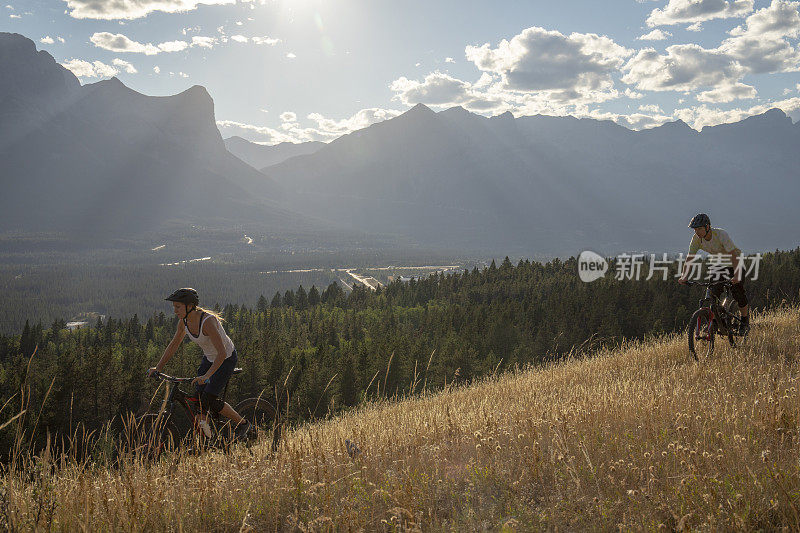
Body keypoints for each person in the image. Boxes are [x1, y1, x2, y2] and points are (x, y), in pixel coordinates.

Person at [148, 288, 252, 440]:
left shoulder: (208, 322)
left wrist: (206, 376)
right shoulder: (183, 322)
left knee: (208, 399)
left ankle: (244, 424)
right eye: (174, 307)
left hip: (226, 359)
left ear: (189, 306)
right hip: (209, 359)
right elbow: (174, 345)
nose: (175, 310)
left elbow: (222, 354)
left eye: (178, 307)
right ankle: (208, 440)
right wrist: (158, 367)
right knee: (198, 401)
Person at [678, 214, 750, 334]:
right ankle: (716, 322)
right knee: (712, 293)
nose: (697, 232)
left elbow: (733, 255)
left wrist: (737, 275)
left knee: (738, 293)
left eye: (699, 229)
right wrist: (684, 276)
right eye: (695, 229)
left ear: (707, 227)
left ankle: (744, 321)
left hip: (735, 263)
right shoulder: (696, 239)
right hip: (719, 265)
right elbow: (690, 258)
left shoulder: (721, 235)